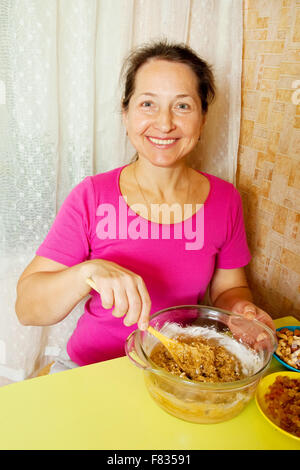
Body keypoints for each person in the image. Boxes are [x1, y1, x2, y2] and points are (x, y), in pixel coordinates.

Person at [15, 39, 275, 373]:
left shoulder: (226, 200)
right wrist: (86, 272)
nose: (164, 123)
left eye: (182, 106)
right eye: (148, 104)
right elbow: (27, 308)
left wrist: (241, 308)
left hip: (178, 369)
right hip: (91, 370)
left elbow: (229, 287)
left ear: (203, 117)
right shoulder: (92, 196)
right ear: (126, 114)